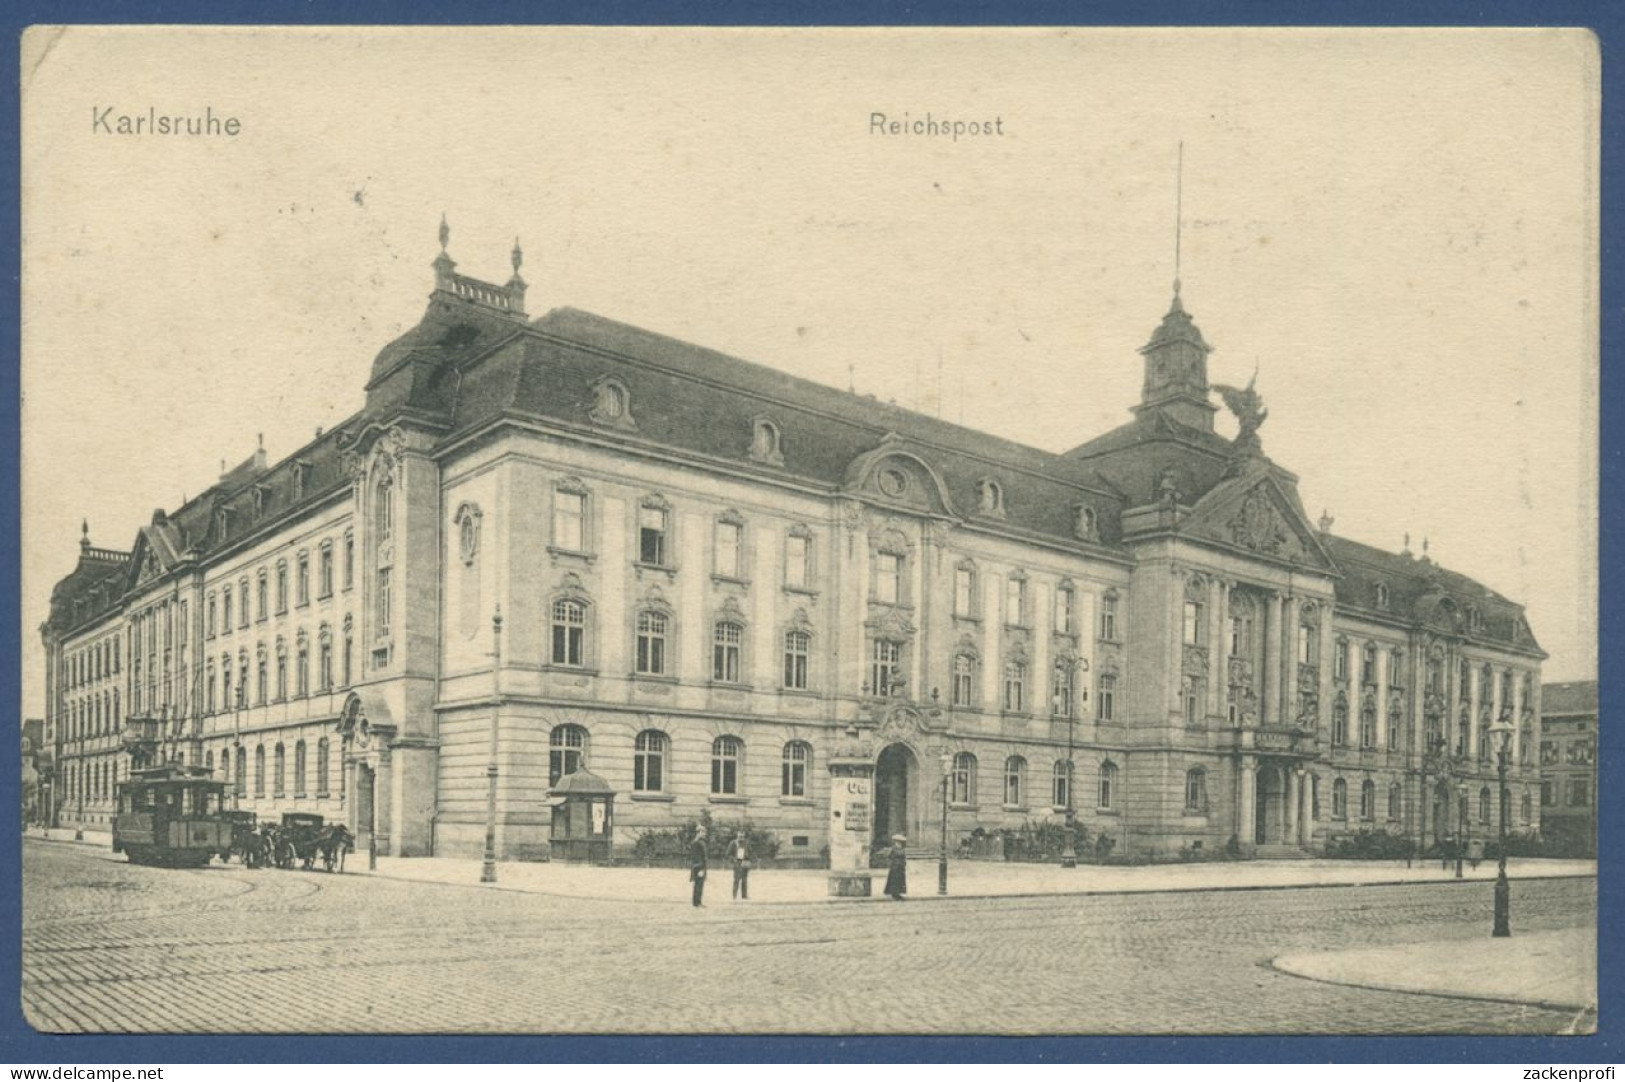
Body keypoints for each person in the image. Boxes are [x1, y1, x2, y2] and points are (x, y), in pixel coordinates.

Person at [689, 826, 709, 908]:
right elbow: (696, 857)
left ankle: (697, 902)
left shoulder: (701, 842)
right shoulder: (696, 843)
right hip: (698, 866)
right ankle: (697, 902)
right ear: (699, 832)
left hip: (701, 866)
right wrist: (700, 868)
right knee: (698, 884)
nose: (705, 833)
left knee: (699, 884)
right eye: (703, 832)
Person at [884, 834, 908, 901]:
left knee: (900, 881)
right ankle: (894, 894)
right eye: (898, 842)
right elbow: (889, 857)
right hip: (895, 867)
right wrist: (892, 864)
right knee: (894, 880)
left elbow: (904, 857)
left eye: (900, 842)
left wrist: (904, 863)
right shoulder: (893, 849)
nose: (899, 843)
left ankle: (899, 893)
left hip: (901, 867)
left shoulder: (902, 849)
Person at [730, 829, 752, 901]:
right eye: (740, 836)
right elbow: (728, 854)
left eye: (742, 836)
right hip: (737, 862)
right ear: (737, 836)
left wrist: (749, 860)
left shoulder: (747, 843)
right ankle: (734, 896)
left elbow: (750, 852)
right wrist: (733, 860)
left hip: (745, 862)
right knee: (736, 879)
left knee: (744, 880)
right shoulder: (733, 843)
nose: (741, 838)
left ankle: (744, 895)